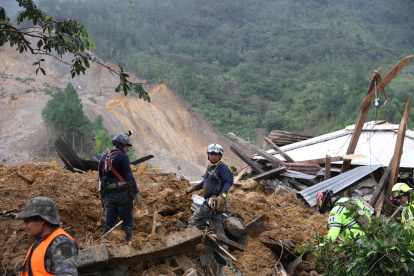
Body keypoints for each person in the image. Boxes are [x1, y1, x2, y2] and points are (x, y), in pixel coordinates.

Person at [16, 197, 78, 276]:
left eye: (27, 221)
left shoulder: (62, 243)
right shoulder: (39, 242)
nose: (23, 226)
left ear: (42, 220)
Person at [98, 131, 142, 243]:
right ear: (122, 145)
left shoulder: (103, 159)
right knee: (126, 224)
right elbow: (129, 177)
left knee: (109, 225)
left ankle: (104, 246)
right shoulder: (123, 157)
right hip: (123, 195)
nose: (127, 149)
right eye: (127, 146)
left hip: (109, 196)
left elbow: (100, 180)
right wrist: (136, 193)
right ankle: (126, 246)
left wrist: (103, 198)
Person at [184, 143, 233, 236]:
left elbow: (228, 182)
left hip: (214, 200)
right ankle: (222, 246)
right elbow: (205, 182)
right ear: (208, 155)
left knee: (194, 221)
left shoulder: (222, 168)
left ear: (220, 156)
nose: (213, 156)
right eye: (211, 154)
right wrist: (192, 188)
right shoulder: (211, 168)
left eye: (215, 154)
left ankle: (189, 240)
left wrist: (223, 196)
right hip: (213, 202)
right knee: (216, 225)